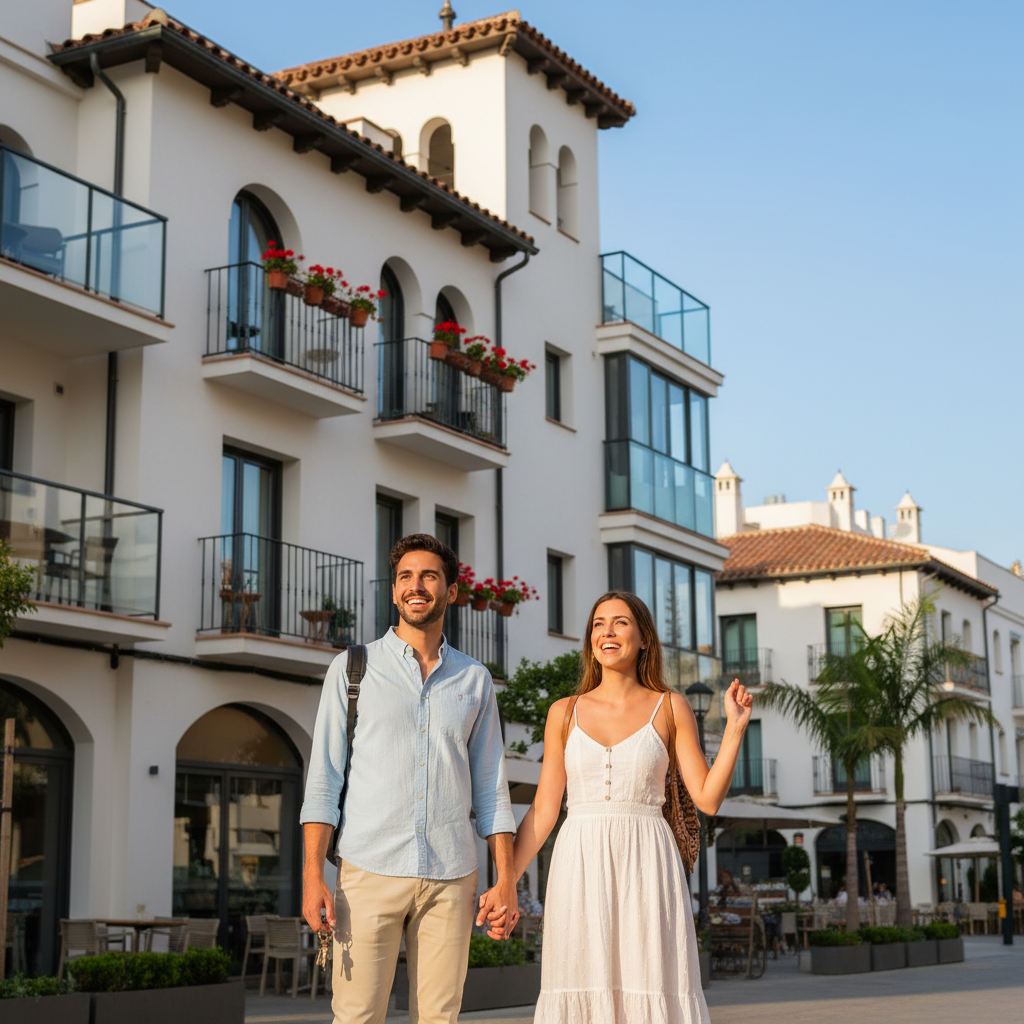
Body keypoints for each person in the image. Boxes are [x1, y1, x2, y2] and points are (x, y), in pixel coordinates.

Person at [490, 590, 753, 1023]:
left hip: (648, 862)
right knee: (580, 979)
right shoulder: (563, 712)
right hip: (578, 862)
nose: (607, 632)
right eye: (598, 624)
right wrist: (507, 884)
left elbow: (706, 796)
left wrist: (735, 731)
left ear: (644, 637)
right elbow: (543, 811)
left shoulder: (671, 707)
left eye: (620, 622)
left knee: (649, 982)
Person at [300, 534, 517, 1024]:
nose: (416, 586)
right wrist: (314, 874)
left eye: (429, 576)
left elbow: (491, 789)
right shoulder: (352, 670)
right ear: (394, 592)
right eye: (405, 577)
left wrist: (506, 881)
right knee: (357, 1016)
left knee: (440, 1018)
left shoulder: (475, 679)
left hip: (452, 875)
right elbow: (323, 782)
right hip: (368, 870)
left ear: (451, 592)